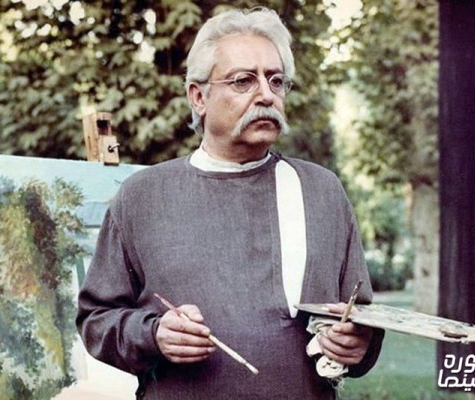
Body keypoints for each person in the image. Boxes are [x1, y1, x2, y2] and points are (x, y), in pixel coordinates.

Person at [76, 7, 384, 400]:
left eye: (276, 80)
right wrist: (153, 334)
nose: (266, 95)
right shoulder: (142, 196)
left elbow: (361, 320)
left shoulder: (322, 191)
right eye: (243, 81)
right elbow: (96, 319)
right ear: (198, 97)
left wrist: (359, 345)